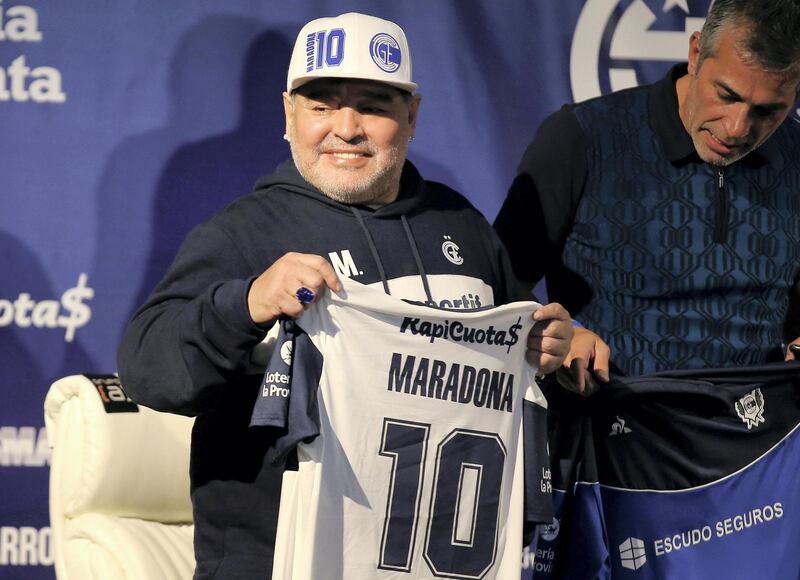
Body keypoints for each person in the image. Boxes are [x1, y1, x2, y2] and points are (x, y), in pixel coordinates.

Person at [118, 13, 574, 578]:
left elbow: (522, 359)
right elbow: (147, 370)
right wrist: (247, 304)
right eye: (322, 105)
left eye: (376, 105)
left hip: (441, 562)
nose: (347, 128)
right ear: (289, 113)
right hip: (278, 563)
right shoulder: (243, 233)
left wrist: (551, 349)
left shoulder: (462, 226)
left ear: (412, 116)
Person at [495, 0, 800, 378]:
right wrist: (560, 336)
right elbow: (494, 286)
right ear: (695, 53)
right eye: (726, 95)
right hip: (605, 423)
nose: (738, 128)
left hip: (761, 430)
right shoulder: (584, 137)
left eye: (768, 111)